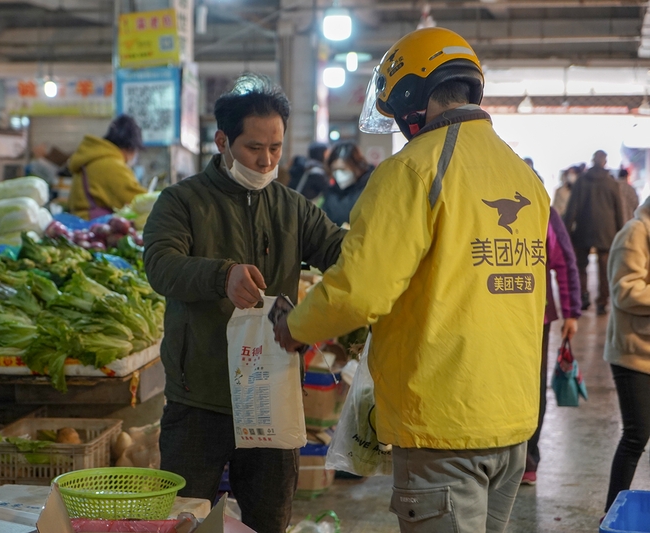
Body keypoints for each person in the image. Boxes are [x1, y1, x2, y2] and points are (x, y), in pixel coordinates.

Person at [274, 27, 549, 532]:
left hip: (444, 421)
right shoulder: (524, 177)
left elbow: (360, 290)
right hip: (513, 420)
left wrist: (295, 325)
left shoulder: (413, 170)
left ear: (409, 97)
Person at [142, 74, 345, 533]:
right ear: (223, 141)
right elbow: (160, 264)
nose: (267, 159)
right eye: (255, 147)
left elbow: (342, 255)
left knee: (269, 521)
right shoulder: (182, 201)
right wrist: (221, 275)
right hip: (200, 399)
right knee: (183, 520)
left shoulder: (293, 208)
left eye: (275, 147)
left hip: (271, 396)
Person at [522, 207, 581, 485]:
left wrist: (571, 312)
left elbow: (565, 261)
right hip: (488, 315)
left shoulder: (541, 209)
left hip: (535, 317)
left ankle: (527, 460)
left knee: (532, 386)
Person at [604, 194, 650, 513]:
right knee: (636, 436)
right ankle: (611, 512)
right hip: (633, 353)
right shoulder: (635, 232)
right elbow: (625, 290)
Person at [563, 150, 623, 315]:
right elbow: (619, 211)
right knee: (605, 268)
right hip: (607, 231)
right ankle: (602, 301)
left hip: (583, 229)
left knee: (581, 266)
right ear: (605, 162)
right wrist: (621, 233)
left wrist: (566, 231)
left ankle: (583, 296)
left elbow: (571, 209)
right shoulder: (612, 183)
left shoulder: (581, 181)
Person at [68, 114, 146, 219]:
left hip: (83, 223)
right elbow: (137, 200)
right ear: (130, 147)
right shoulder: (112, 165)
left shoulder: (96, 157)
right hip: (94, 225)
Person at [322, 142, 375, 226]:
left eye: (343, 169)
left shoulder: (370, 189)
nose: (338, 174)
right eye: (335, 169)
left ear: (357, 167)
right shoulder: (331, 192)